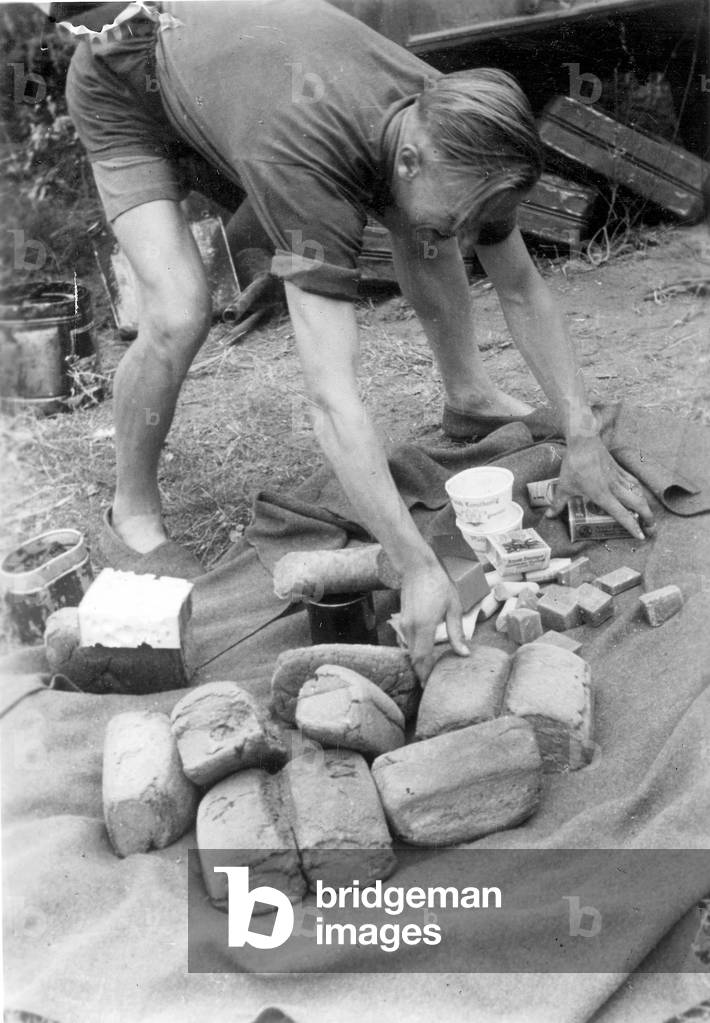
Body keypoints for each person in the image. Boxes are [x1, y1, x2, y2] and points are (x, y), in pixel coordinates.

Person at [61, 0, 654, 681]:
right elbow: (331, 400)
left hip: (244, 73)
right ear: (407, 157)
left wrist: (580, 434)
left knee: (425, 225)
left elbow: (519, 285)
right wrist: (415, 563)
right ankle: (131, 510)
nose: (465, 243)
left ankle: (469, 394)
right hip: (126, 74)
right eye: (461, 221)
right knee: (179, 309)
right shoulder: (311, 164)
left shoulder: (457, 126)